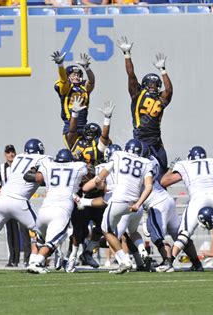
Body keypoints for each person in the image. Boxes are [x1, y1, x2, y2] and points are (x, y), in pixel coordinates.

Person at [160, 146, 213, 272]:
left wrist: (171, 168)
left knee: (184, 232)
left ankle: (169, 262)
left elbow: (164, 182)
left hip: (199, 197)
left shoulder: (185, 164)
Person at [83, 139, 154, 274]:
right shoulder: (146, 163)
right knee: (130, 232)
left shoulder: (118, 155)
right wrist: (138, 204)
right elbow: (149, 186)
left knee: (106, 229)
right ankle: (136, 259)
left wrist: (98, 183)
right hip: (134, 203)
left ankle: (124, 261)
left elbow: (99, 179)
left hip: (118, 200)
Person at [65, 96, 115, 271]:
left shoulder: (94, 146)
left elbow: (104, 138)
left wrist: (75, 114)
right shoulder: (77, 142)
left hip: (93, 192)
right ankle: (71, 257)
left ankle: (86, 252)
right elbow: (72, 133)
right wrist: (74, 113)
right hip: (80, 191)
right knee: (79, 229)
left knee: (102, 226)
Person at [116, 36, 173, 178]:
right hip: (141, 140)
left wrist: (163, 71)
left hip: (157, 141)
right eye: (151, 84)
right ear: (145, 84)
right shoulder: (137, 94)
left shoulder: (160, 99)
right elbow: (131, 75)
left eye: (156, 85)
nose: (154, 87)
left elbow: (169, 90)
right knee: (141, 175)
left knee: (162, 172)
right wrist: (127, 55)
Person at [24, 149, 88, 274]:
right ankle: (37, 262)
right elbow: (89, 171)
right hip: (61, 209)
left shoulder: (48, 165)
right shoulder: (77, 166)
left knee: (41, 239)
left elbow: (28, 176)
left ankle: (36, 260)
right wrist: (79, 159)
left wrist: (34, 167)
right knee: (54, 240)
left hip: (45, 208)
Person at [51, 51, 95, 143]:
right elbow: (63, 80)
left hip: (84, 126)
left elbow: (92, 81)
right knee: (74, 153)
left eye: (78, 75)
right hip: (70, 125)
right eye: (73, 75)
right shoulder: (66, 87)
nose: (76, 77)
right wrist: (60, 65)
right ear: (68, 76)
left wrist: (87, 68)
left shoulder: (84, 88)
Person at [0, 144, 22, 267]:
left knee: (23, 231)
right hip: (6, 202)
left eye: (12, 152)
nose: (11, 154)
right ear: (5, 155)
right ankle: (12, 259)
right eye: (8, 152)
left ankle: (27, 258)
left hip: (18, 201)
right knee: (10, 231)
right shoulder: (1, 168)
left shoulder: (20, 166)